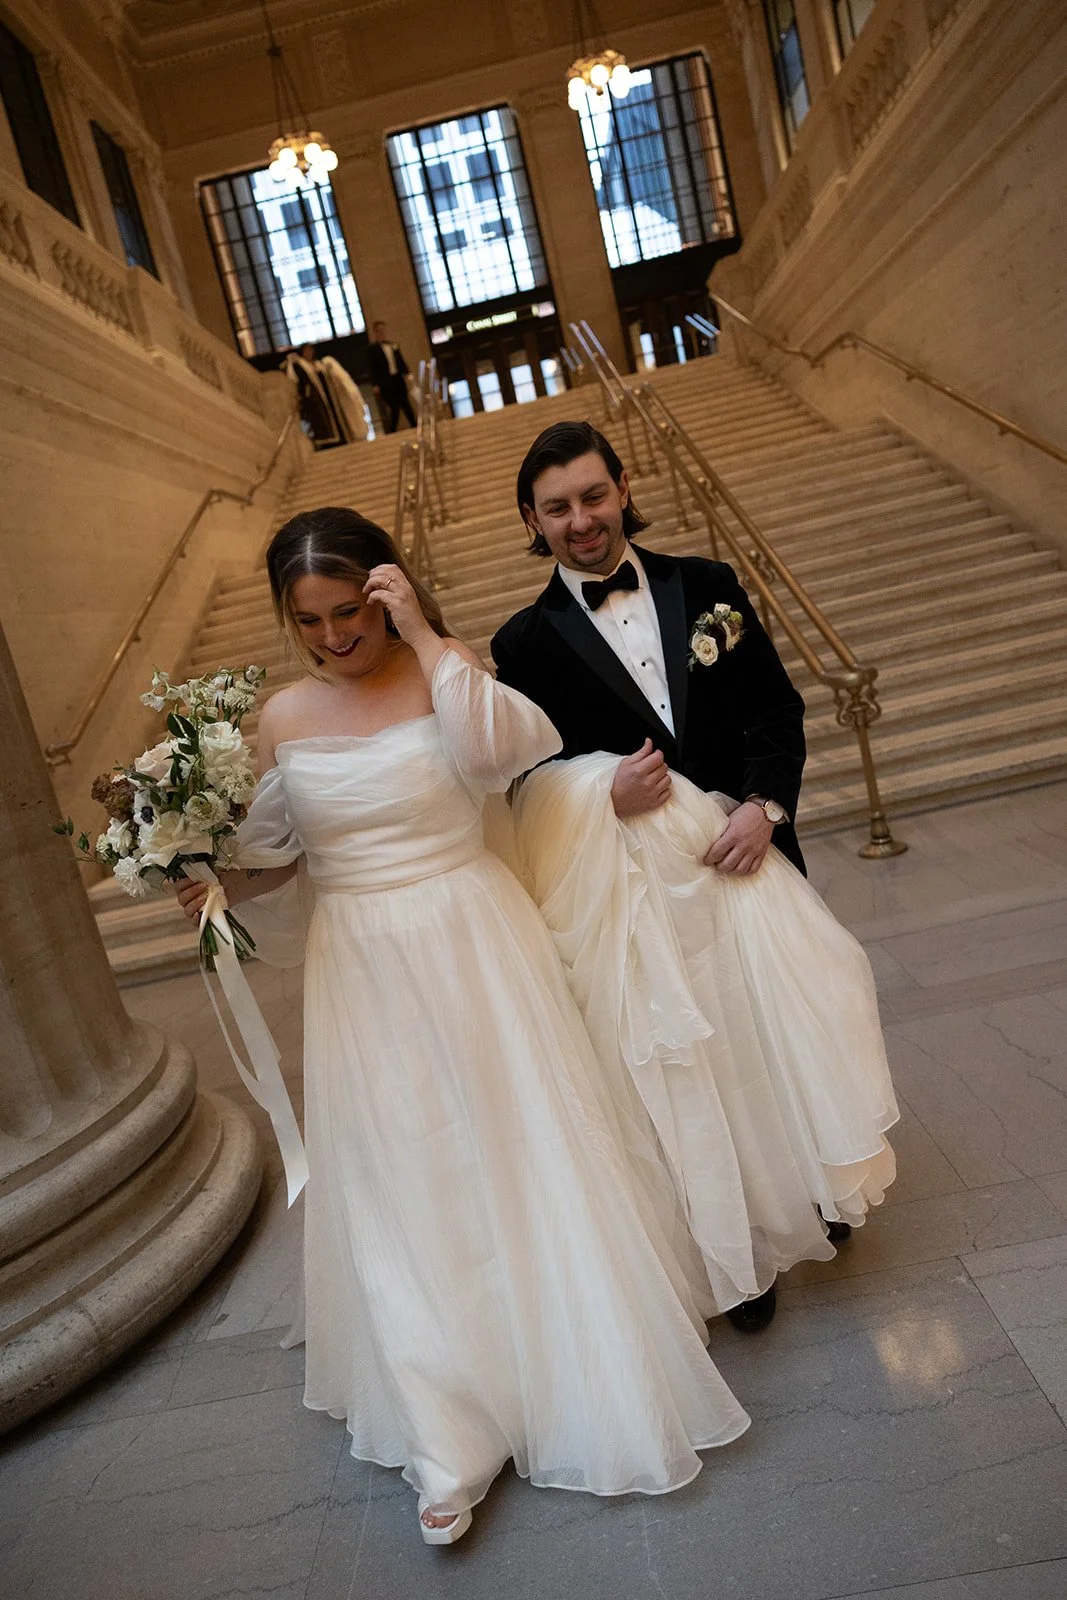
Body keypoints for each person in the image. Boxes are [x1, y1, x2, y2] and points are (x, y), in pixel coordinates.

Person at [177, 506, 750, 1547]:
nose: (331, 638)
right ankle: (447, 1430)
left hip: (474, 938)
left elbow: (504, 756)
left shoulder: (451, 674)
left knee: (510, 1145)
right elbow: (277, 856)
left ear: (384, 591)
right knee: (403, 1178)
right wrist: (206, 878)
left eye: (349, 610)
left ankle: (560, 1358)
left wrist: (430, 640)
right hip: (359, 963)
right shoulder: (280, 716)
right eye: (307, 621)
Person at [492, 421, 897, 1332]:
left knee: (782, 1025)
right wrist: (602, 791)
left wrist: (764, 807)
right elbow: (521, 781)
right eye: (556, 507)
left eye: (593, 496)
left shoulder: (705, 585)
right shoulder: (522, 643)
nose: (581, 520)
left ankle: (817, 1189)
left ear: (623, 487)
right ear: (531, 517)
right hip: (639, 892)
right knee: (695, 1061)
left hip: (745, 854)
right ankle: (741, 1250)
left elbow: (774, 707)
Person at [368, 319, 415, 432]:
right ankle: (392, 430)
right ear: (375, 332)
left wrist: (407, 372)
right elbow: (372, 367)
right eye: (379, 330)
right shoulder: (372, 350)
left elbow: (400, 360)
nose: (382, 332)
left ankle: (414, 425)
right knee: (394, 406)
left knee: (405, 402)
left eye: (383, 330)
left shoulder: (393, 345)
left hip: (397, 378)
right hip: (385, 381)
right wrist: (375, 384)